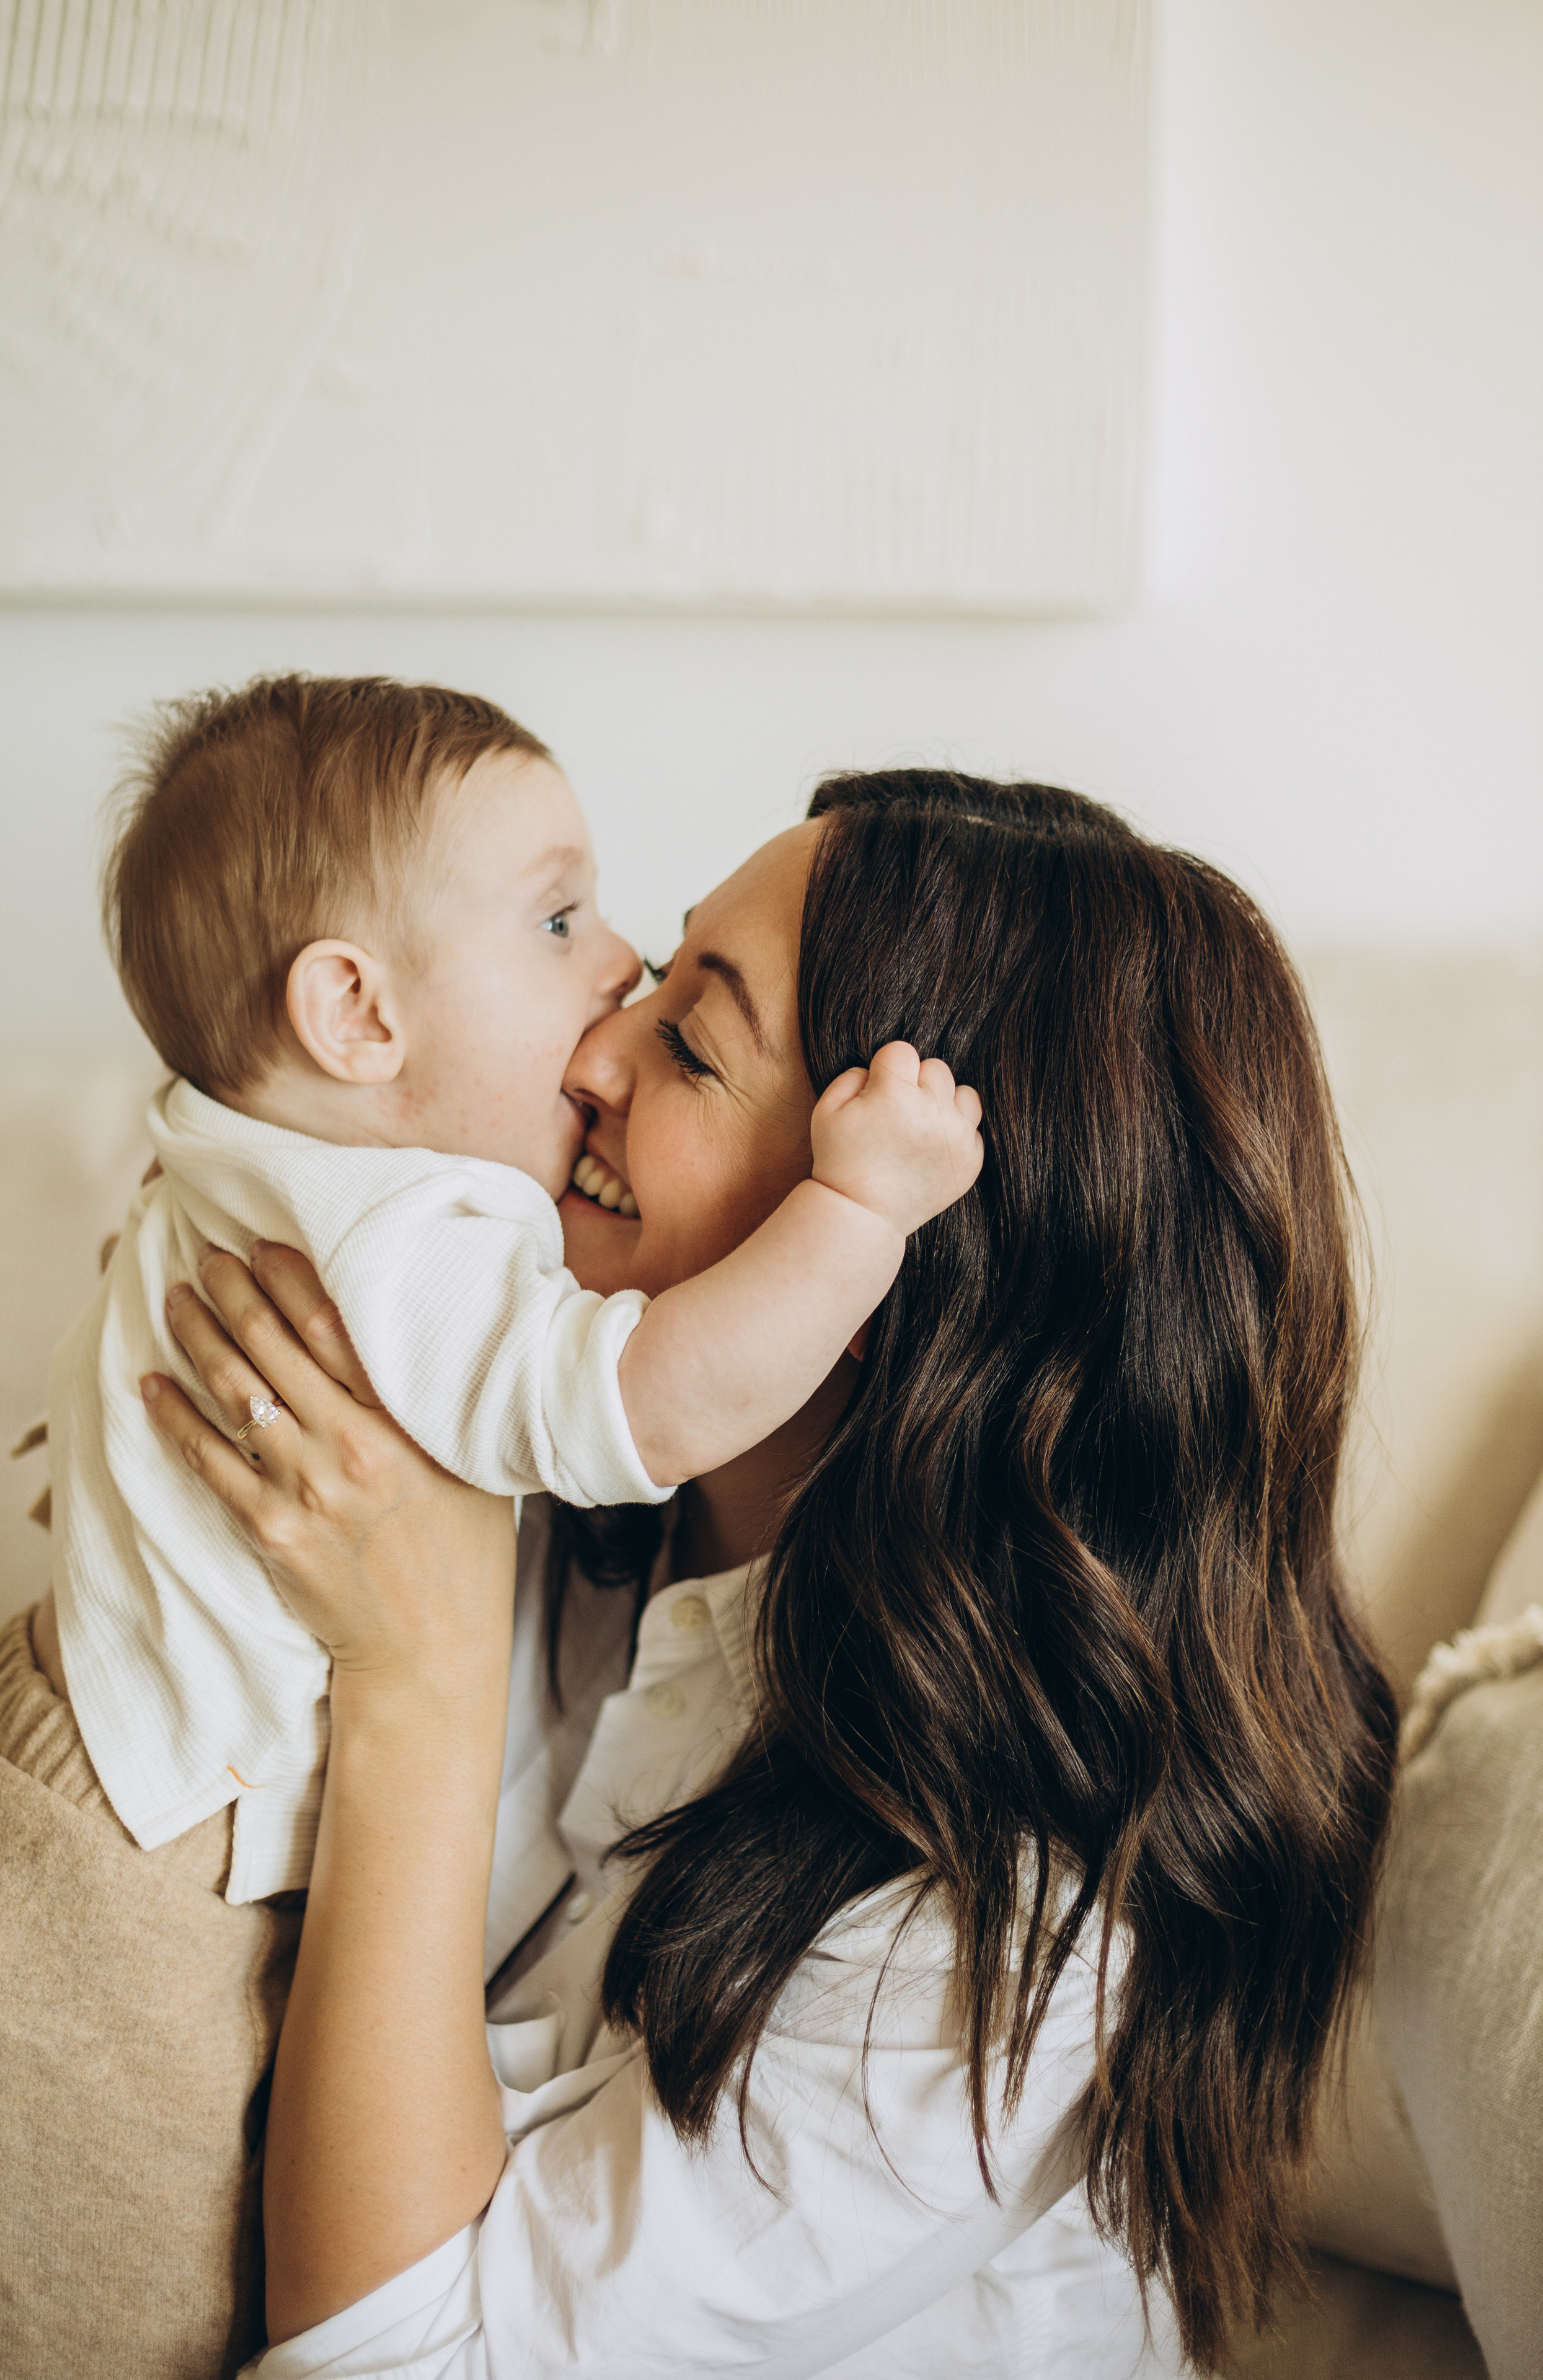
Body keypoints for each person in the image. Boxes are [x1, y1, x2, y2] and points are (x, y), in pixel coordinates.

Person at [147, 770, 1401, 2378]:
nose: (586, 1057)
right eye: (647, 977)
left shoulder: (1001, 1929)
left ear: (900, 1252)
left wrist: (420, 1687)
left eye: (687, 1042)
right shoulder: (544, 1466)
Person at [49, 672, 979, 1904]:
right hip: (153, 1852)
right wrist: (857, 1214)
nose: (613, 971)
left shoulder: (236, 1173)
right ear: (355, 1012)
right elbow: (636, 1404)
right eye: (557, 922)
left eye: (685, 1031)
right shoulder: (408, 1234)